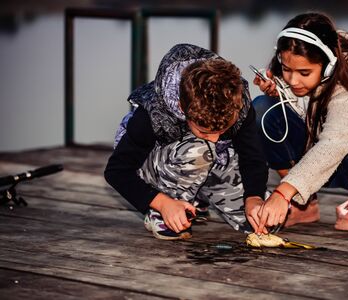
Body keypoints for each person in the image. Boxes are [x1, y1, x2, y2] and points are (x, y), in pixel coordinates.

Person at [252, 13, 348, 233]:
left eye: (304, 72)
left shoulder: (347, 91)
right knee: (261, 110)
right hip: (311, 152)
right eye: (287, 69)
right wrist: (279, 91)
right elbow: (301, 107)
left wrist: (281, 193)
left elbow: (332, 145)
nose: (293, 80)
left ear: (328, 66)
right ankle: (304, 200)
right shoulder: (295, 77)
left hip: (346, 157)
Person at [105, 44, 268, 240]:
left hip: (211, 163)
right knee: (201, 149)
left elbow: (253, 156)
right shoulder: (151, 113)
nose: (215, 139)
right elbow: (116, 171)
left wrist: (254, 196)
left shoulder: (237, 102)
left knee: (260, 221)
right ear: (182, 108)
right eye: (205, 131)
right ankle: (163, 211)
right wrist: (160, 202)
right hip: (157, 168)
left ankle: (198, 196)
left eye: (222, 131)